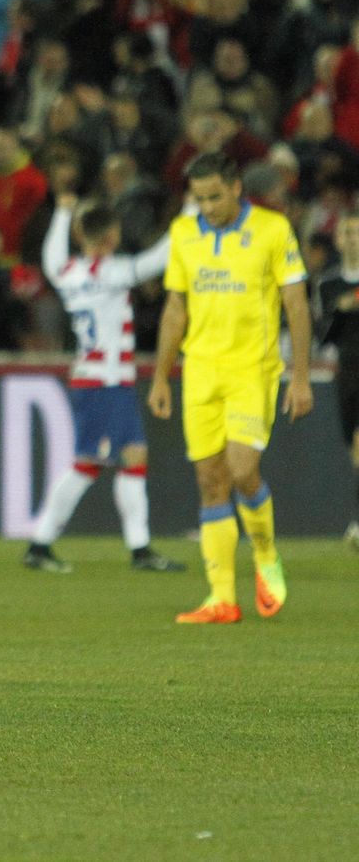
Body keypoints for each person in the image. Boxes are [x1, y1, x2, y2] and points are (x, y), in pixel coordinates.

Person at [148, 153, 313, 624]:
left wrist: (300, 376)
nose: (207, 207)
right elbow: (175, 308)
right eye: (199, 199)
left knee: (242, 471)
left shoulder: (272, 229)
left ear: (237, 187)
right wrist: (161, 375)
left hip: (251, 370)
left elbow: (296, 304)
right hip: (200, 372)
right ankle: (221, 597)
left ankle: (265, 552)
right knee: (210, 480)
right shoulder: (184, 233)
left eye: (215, 197)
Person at [24, 193, 184, 573]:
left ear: (81, 236)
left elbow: (50, 258)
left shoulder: (68, 272)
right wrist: (189, 218)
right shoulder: (110, 273)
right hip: (106, 382)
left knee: (109, 460)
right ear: (112, 237)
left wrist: (62, 213)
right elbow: (156, 259)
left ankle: (129, 548)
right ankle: (51, 544)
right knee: (100, 462)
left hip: (94, 379)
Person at [312, 212, 359, 551]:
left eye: (357, 232)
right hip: (348, 374)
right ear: (338, 239)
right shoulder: (328, 285)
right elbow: (324, 336)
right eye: (347, 232)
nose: (353, 238)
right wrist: (342, 310)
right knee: (353, 449)